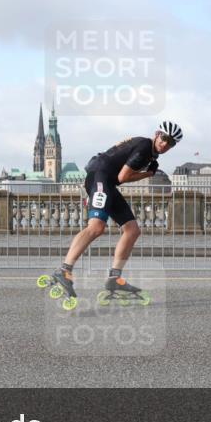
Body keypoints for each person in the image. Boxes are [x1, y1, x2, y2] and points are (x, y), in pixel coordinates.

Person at [50, 121, 182, 300]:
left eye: (171, 143)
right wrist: (148, 174)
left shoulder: (150, 154)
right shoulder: (144, 147)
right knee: (96, 227)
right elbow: (123, 177)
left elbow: (119, 176)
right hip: (99, 177)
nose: (165, 144)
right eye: (165, 138)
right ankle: (64, 270)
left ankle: (114, 277)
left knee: (132, 230)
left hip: (107, 182)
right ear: (157, 134)